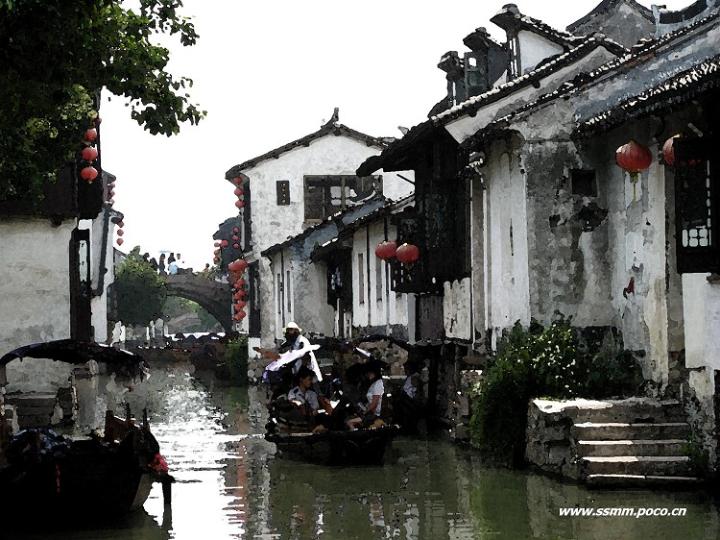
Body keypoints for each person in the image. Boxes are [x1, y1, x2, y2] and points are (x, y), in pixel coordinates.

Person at [347, 363, 384, 430]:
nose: (367, 375)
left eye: (369, 373)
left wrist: (365, 413)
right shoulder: (373, 384)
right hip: (370, 411)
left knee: (350, 422)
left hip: (374, 414)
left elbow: (374, 403)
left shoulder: (378, 383)